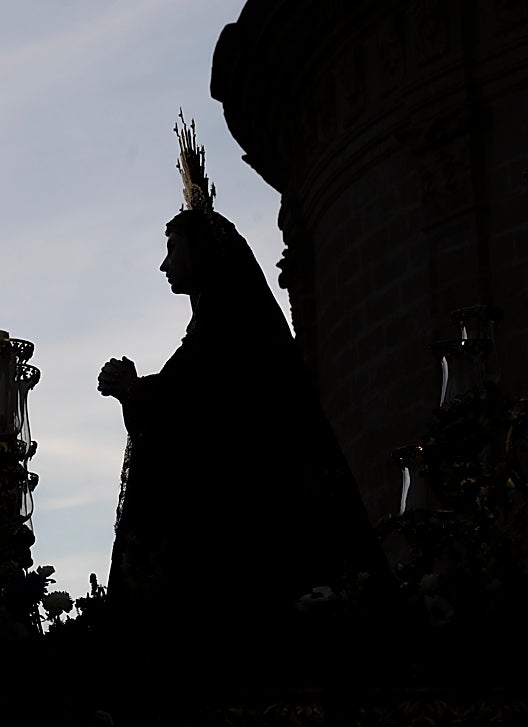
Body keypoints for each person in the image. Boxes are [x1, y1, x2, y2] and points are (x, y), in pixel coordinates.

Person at [99, 118, 380, 661]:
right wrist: (137, 394)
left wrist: (134, 391)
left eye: (173, 248)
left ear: (200, 254)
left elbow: (204, 406)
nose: (164, 263)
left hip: (246, 513)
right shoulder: (214, 326)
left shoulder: (228, 328)